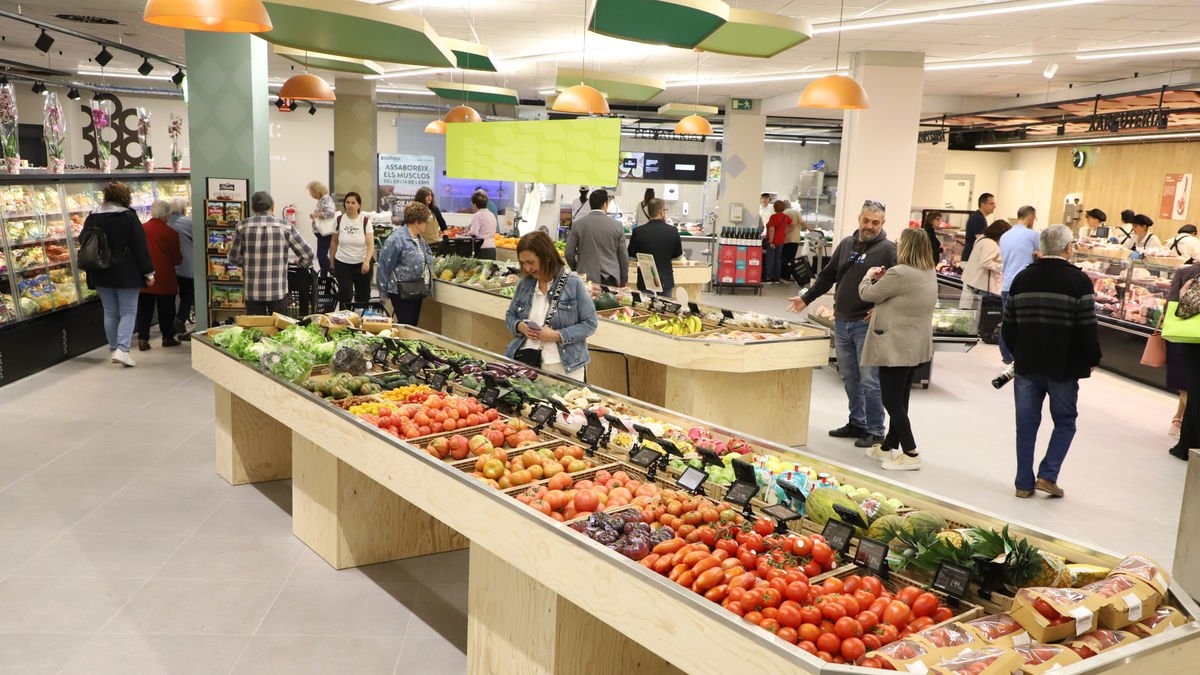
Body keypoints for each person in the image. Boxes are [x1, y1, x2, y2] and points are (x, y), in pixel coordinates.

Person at [788, 200, 897, 448]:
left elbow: (900, 286)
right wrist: (806, 298)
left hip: (867, 326)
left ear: (883, 223)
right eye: (866, 220)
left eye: (875, 222)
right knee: (850, 377)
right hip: (842, 321)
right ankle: (857, 422)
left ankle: (875, 430)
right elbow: (828, 275)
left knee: (870, 380)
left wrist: (883, 309)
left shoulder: (889, 250)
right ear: (859, 219)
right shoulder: (847, 244)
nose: (869, 226)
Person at [1002, 225, 1101, 497]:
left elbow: (1008, 326)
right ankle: (1047, 475)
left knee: (1026, 425)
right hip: (1064, 367)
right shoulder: (1079, 281)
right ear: (1068, 248)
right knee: (1065, 421)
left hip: (1027, 365)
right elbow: (1087, 325)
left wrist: (1018, 353)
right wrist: (1092, 357)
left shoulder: (1022, 278)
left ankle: (1023, 484)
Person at [858, 228, 937, 471]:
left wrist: (868, 276)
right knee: (901, 399)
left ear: (906, 246)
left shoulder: (899, 273)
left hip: (894, 346)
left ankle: (911, 452)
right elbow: (902, 299)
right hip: (915, 345)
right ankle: (888, 446)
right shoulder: (928, 271)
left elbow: (867, 294)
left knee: (891, 400)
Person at [504, 231, 598, 380]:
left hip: (565, 366)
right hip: (528, 362)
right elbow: (510, 316)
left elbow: (590, 323)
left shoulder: (572, 284)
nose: (527, 268)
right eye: (523, 263)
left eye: (531, 262)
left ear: (546, 257)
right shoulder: (525, 284)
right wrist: (519, 326)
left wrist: (557, 335)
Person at [85, 181, 154, 367]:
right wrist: (148, 271)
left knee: (110, 312)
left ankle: (114, 348)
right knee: (128, 311)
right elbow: (140, 246)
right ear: (125, 197)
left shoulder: (92, 216)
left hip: (100, 270)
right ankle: (122, 350)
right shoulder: (128, 216)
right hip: (126, 271)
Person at [228, 191, 315, 315]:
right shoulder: (286, 227)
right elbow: (308, 254)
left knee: (256, 326)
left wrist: (247, 263)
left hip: (252, 291)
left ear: (253, 208)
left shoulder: (242, 226)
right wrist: (300, 263)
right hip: (278, 291)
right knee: (278, 326)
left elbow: (233, 258)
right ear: (273, 207)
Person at [135, 200, 183, 351]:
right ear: (166, 215)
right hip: (165, 276)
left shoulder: (140, 229)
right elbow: (176, 259)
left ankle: (143, 339)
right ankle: (167, 337)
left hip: (145, 275)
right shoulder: (171, 233)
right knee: (166, 309)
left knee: (145, 309)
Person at [377, 201, 435, 327]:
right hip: (400, 291)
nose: (426, 225)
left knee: (412, 325)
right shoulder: (396, 239)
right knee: (406, 324)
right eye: (425, 222)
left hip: (417, 289)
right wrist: (383, 292)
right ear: (417, 222)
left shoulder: (420, 240)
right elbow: (384, 266)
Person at [998, 206, 1040, 365]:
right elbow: (1044, 254)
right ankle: (1019, 357)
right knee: (1022, 323)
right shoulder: (1032, 235)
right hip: (1024, 285)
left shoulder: (1005, 235)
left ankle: (1006, 356)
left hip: (1006, 283)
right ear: (1030, 217)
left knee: (1007, 321)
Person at [1168, 261, 1200, 461]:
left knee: (1196, 393)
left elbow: (1182, 308)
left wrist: (1183, 293)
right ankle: (1188, 445)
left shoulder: (1191, 274)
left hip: (1194, 342)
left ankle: (1188, 445)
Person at [565, 189, 628, 287]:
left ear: (590, 204)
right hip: (610, 277)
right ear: (605, 204)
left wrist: (576, 267)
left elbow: (569, 253)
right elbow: (623, 256)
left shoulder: (578, 225)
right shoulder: (617, 226)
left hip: (585, 277)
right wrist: (623, 279)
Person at [627, 198, 683, 296]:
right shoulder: (673, 231)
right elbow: (678, 256)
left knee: (646, 304)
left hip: (645, 280)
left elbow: (631, 256)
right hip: (665, 280)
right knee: (665, 305)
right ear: (662, 212)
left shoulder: (638, 231)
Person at [329, 191, 374, 310]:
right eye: (347, 202)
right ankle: (344, 319)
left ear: (359, 205)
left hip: (362, 264)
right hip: (343, 263)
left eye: (353, 203)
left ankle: (360, 319)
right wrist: (332, 262)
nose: (350, 205)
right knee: (345, 296)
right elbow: (334, 242)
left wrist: (367, 261)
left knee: (363, 297)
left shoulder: (365, 221)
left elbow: (370, 245)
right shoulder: (339, 220)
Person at [960, 220, 1011, 304]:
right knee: (983, 307)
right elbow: (986, 262)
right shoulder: (990, 244)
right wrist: (1002, 267)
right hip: (982, 284)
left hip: (973, 281)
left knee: (970, 306)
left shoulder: (982, 239)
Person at [167, 196, 194, 340]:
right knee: (188, 294)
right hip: (186, 267)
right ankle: (180, 319)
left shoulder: (165, 222)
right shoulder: (189, 222)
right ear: (183, 209)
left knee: (170, 297)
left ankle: (171, 323)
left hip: (168, 267)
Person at [307, 181, 336, 274]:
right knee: (321, 255)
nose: (311, 194)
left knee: (321, 255)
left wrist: (316, 215)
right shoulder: (321, 200)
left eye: (311, 192)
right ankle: (326, 274)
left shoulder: (326, 199)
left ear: (316, 191)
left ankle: (330, 273)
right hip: (322, 234)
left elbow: (330, 212)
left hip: (325, 233)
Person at [961, 192, 995, 262]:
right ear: (982, 204)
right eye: (991, 204)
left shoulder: (979, 217)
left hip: (971, 258)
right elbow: (982, 241)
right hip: (970, 259)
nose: (995, 206)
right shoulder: (978, 218)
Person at [763, 200, 790, 282]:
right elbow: (792, 224)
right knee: (778, 259)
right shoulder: (785, 217)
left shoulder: (773, 217)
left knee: (770, 259)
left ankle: (769, 276)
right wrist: (785, 232)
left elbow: (771, 229)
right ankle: (777, 277)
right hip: (781, 241)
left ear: (775, 208)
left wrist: (771, 241)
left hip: (773, 241)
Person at [468, 191, 499, 260]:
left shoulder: (477, 215)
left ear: (474, 205)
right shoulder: (491, 215)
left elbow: (474, 233)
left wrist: (467, 233)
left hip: (482, 249)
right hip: (492, 248)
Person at [782, 200, 805, 282]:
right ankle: (787, 276)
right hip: (795, 239)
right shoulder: (796, 212)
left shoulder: (783, 213)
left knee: (784, 258)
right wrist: (810, 229)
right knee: (791, 259)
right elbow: (802, 222)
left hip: (786, 239)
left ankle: (784, 276)